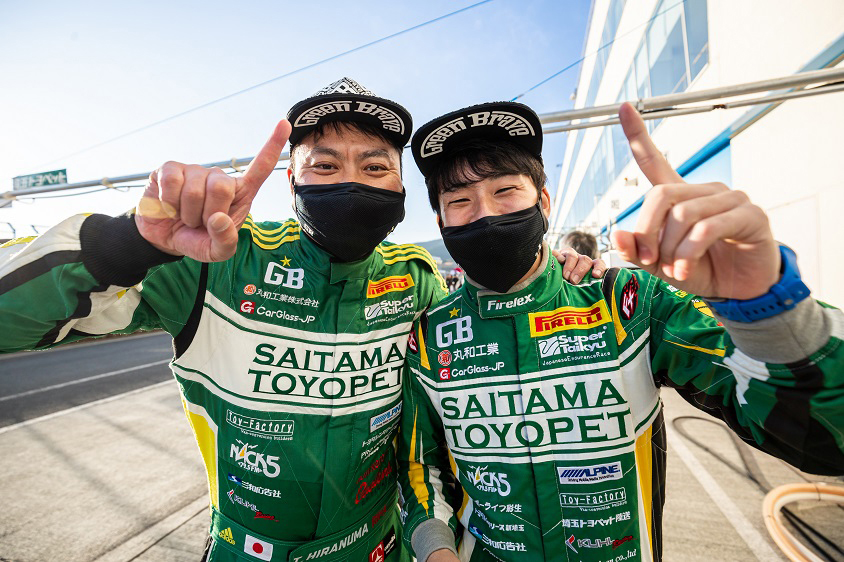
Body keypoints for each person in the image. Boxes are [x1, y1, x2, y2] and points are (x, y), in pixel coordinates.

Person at [0, 79, 601, 562]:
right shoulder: (214, 261)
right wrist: (130, 242)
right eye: (325, 166)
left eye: (375, 168)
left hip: (381, 547)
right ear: (290, 182)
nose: (351, 181)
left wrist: (562, 273)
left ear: (401, 188)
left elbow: (492, 332)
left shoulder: (418, 279)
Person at [398, 100, 844, 562]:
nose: (485, 214)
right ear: (441, 222)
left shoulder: (628, 301)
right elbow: (420, 466)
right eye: (460, 201)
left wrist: (764, 310)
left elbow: (825, 440)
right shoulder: (429, 334)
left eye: (505, 190)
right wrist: (436, 550)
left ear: (543, 202)